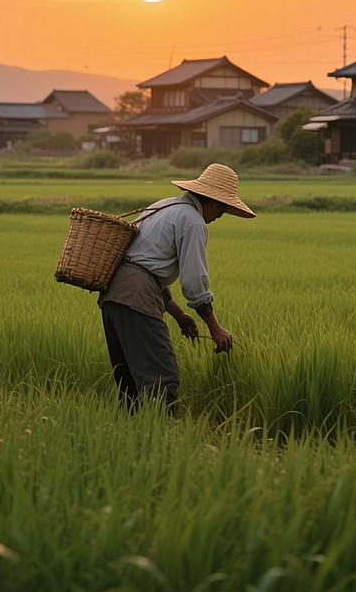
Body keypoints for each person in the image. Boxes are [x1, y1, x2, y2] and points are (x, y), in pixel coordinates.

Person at [98, 163, 255, 408]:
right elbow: (194, 284)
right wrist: (215, 328)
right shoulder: (193, 221)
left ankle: (129, 438)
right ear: (214, 202)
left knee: (130, 385)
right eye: (222, 211)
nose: (217, 218)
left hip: (113, 294)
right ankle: (158, 441)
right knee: (162, 380)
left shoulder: (162, 206)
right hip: (138, 295)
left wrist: (180, 315)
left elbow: (146, 266)